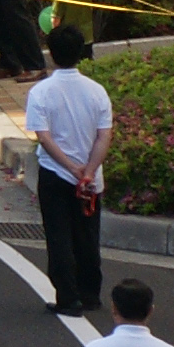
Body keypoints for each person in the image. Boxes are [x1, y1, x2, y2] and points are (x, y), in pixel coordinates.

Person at [26, 27, 113, 314]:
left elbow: (44, 136)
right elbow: (104, 136)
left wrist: (70, 167)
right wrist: (88, 170)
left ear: (51, 53)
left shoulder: (41, 92)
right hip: (91, 179)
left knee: (59, 235)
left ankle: (68, 296)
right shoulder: (97, 91)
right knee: (87, 235)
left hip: (55, 173)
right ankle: (90, 293)